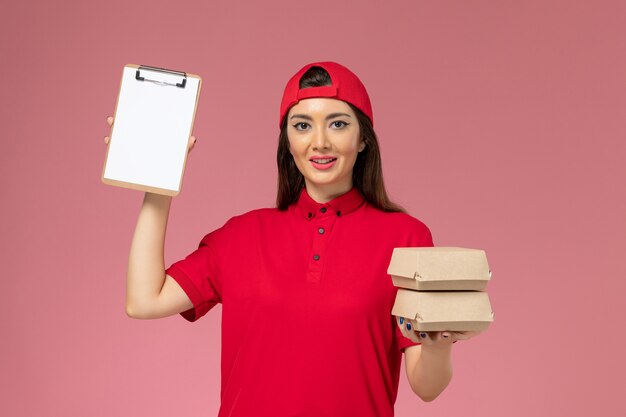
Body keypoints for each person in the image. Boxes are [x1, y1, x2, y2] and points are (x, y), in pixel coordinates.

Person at [105, 61, 479, 417]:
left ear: (363, 138)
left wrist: (438, 341)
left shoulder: (406, 238)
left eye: (337, 124)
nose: (319, 142)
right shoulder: (241, 235)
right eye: (302, 125)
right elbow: (144, 300)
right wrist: (158, 184)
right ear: (287, 140)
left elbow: (427, 386)